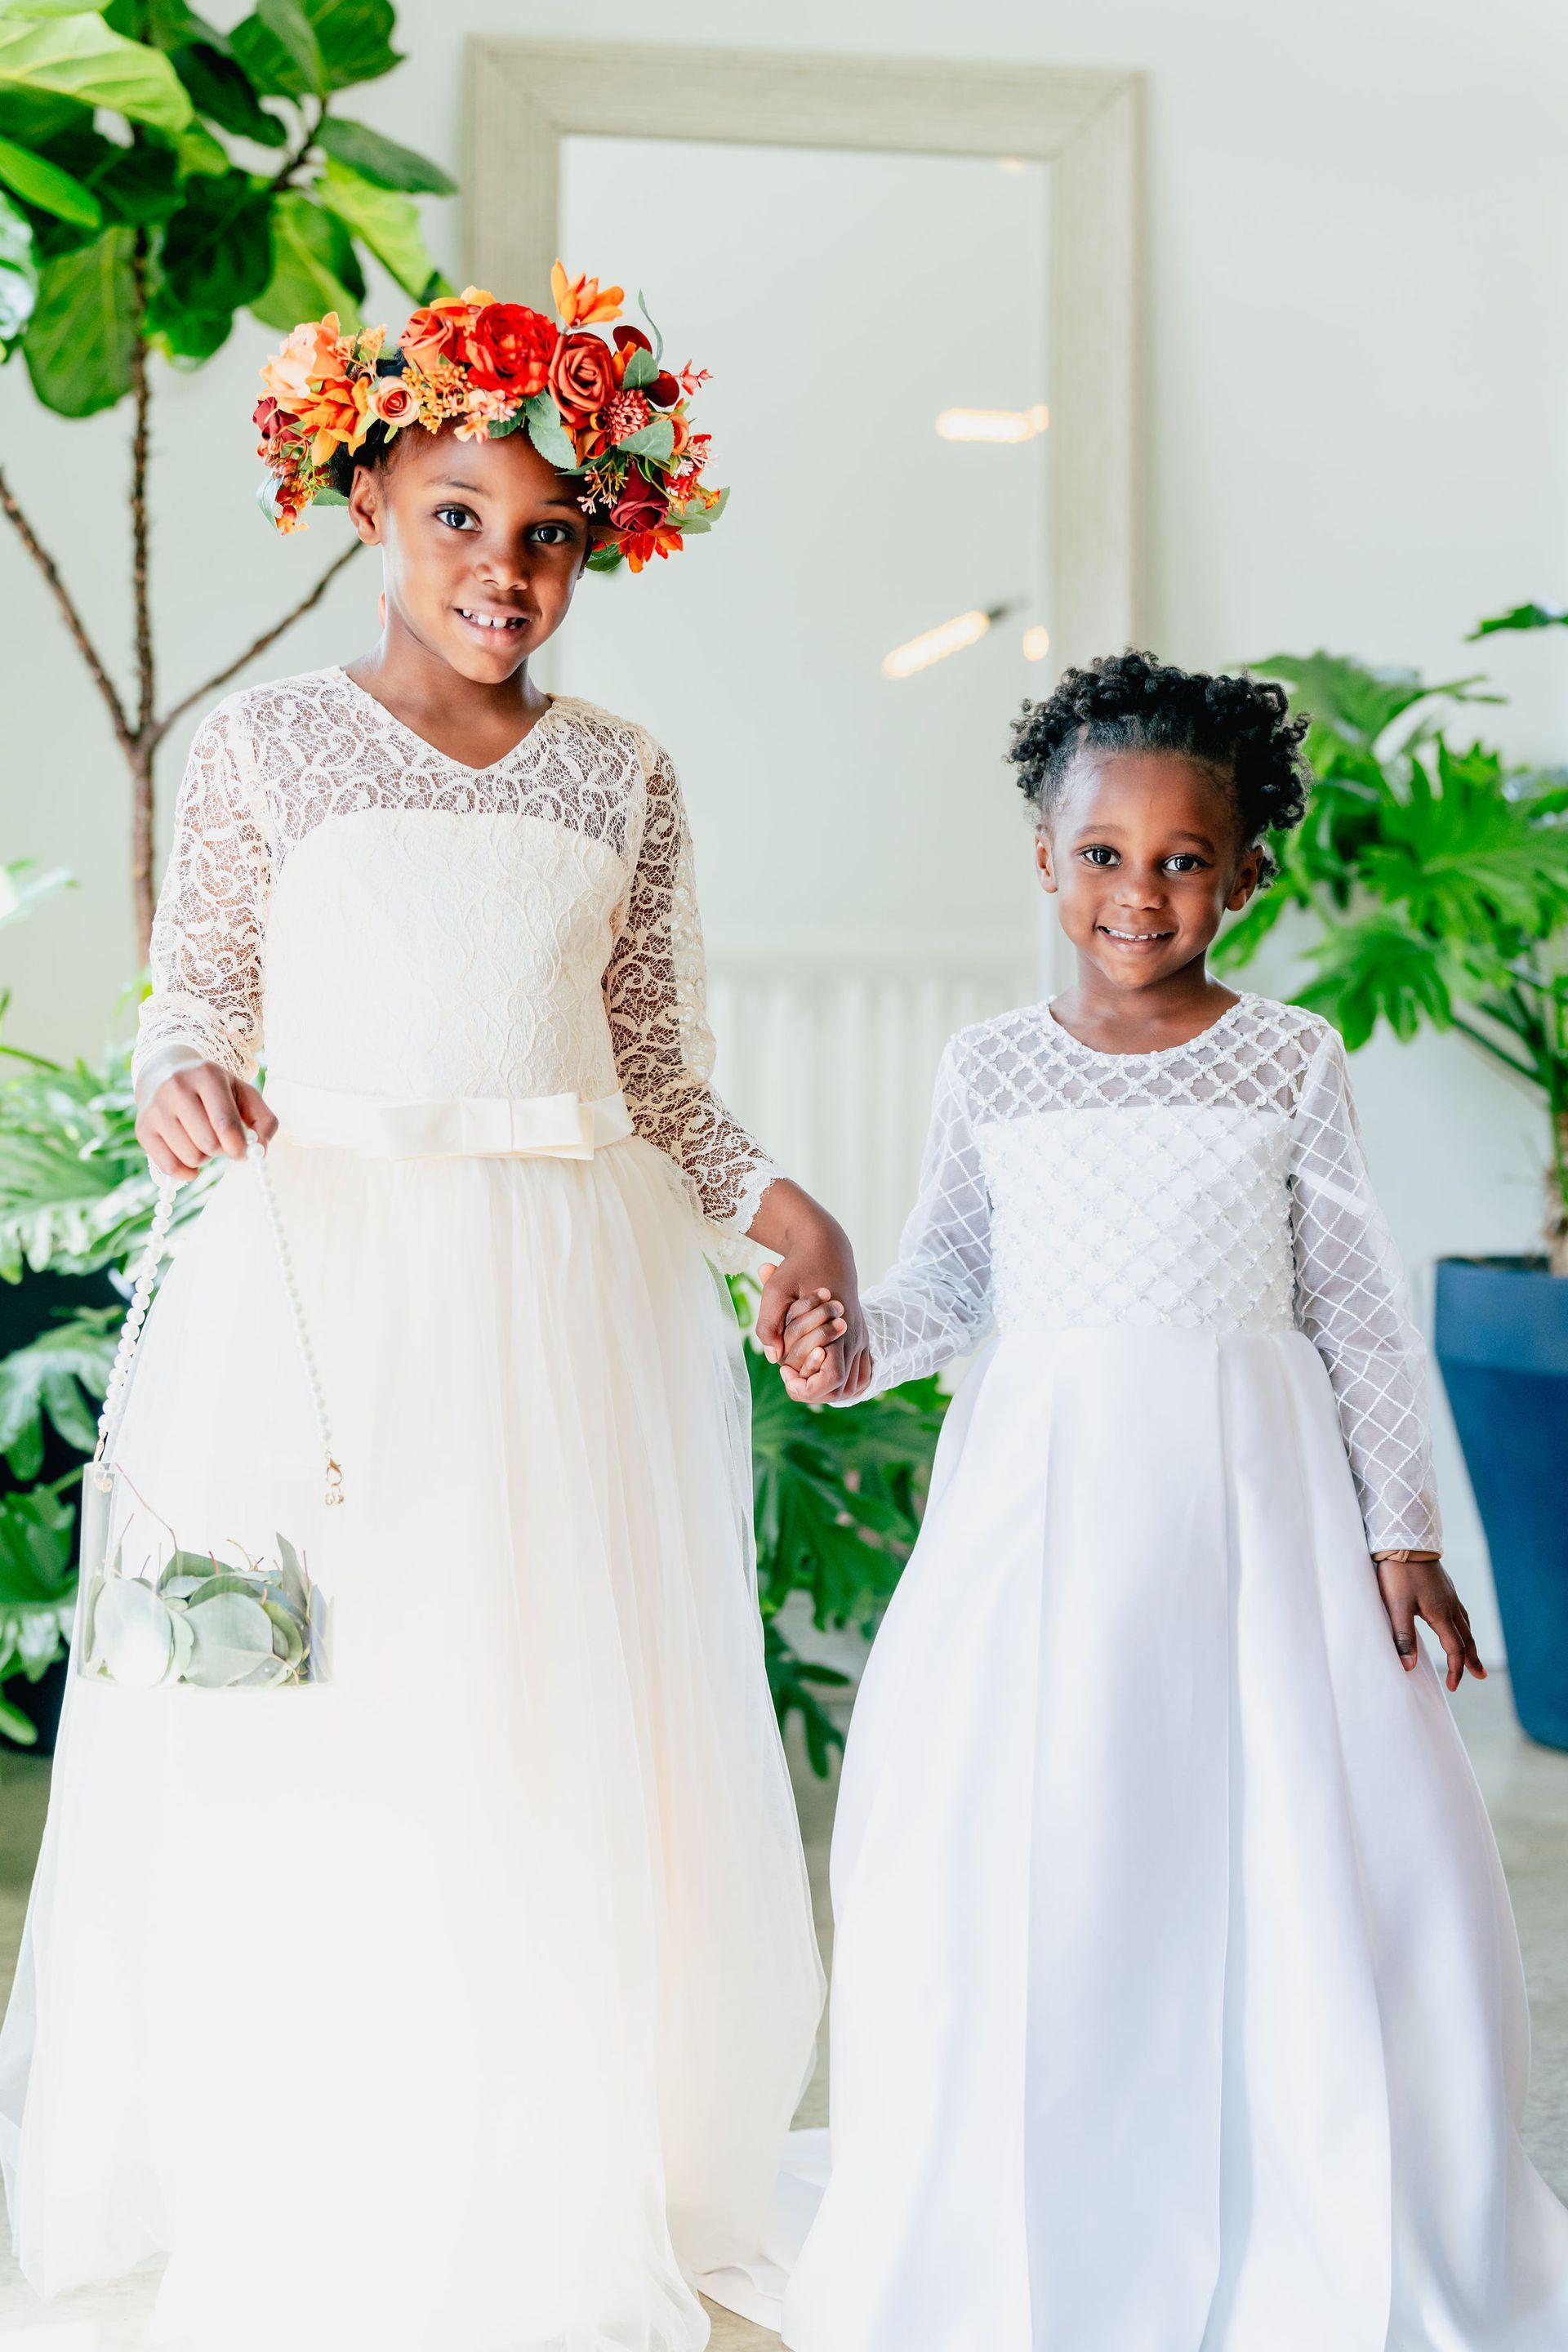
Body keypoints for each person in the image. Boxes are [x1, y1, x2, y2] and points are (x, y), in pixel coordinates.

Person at [0, 275, 860, 2352]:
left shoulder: (621, 778)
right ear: (373, 494)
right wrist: (181, 1078)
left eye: (552, 533)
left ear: (605, 541)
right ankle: (332, 2145)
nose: (508, 569)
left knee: (550, 1718)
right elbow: (192, 1003)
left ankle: (540, 2147)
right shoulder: (268, 749)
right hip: (331, 1300)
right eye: (463, 517)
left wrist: (779, 1205)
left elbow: (655, 1068)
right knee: (340, 1711)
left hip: (562, 1312)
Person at [776, 651, 1568, 2351]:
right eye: (1104, 855)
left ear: (1248, 872)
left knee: (1278, 1829)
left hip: (1254, 1516)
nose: (1143, 892)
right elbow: (948, 1286)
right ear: (1045, 862)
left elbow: (1353, 1304)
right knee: (1061, 1829)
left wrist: (1403, 1530)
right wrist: (849, 1345)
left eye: (1185, 859)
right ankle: (1066, 2188)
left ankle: (1301, 2184)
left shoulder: (1288, 1060)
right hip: (1049, 1514)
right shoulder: (992, 1069)